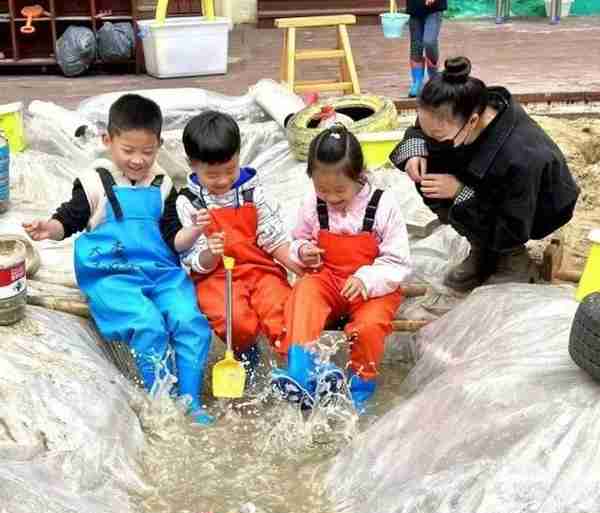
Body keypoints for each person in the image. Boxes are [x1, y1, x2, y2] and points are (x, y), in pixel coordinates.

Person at [23, 93, 213, 424]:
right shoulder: (96, 182)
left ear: (159, 145)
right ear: (107, 140)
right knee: (147, 323)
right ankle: (163, 403)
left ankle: (191, 399)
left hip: (161, 272)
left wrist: (195, 230)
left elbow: (175, 239)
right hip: (113, 274)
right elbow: (70, 218)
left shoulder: (164, 183)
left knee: (188, 320)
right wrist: (49, 227)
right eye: (128, 151)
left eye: (148, 151)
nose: (138, 160)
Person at [390, 56, 580, 292]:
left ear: (473, 120)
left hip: (536, 206)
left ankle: (512, 256)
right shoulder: (455, 107)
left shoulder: (522, 156)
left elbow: (514, 221)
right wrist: (414, 150)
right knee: (431, 163)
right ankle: (480, 246)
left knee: (504, 228)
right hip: (486, 187)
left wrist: (460, 191)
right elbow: (420, 129)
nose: (430, 138)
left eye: (436, 135)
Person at [271, 126, 411, 413]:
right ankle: (302, 372)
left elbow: (397, 261)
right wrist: (303, 252)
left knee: (369, 327)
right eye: (322, 189)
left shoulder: (382, 205)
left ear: (359, 175)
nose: (331, 198)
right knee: (304, 293)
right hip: (329, 280)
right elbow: (298, 239)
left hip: (373, 289)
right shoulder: (313, 203)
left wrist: (365, 279)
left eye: (339, 190)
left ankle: (359, 388)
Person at [165, 110, 299, 372]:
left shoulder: (253, 194)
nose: (224, 180)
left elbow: (275, 241)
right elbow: (190, 259)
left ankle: (298, 368)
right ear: (192, 164)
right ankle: (246, 354)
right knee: (234, 320)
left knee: (281, 309)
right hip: (215, 277)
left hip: (261, 271)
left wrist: (302, 270)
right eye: (213, 175)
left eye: (230, 170)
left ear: (239, 156)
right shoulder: (188, 203)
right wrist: (209, 254)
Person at [407, 0, 446, 98]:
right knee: (416, 45)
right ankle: (417, 82)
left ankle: (434, 79)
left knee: (429, 41)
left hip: (433, 8)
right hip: (414, 8)